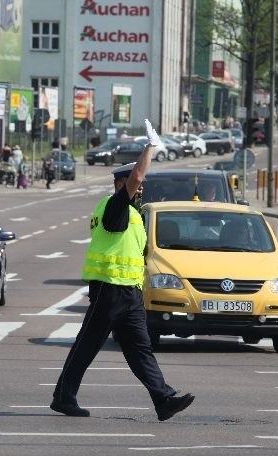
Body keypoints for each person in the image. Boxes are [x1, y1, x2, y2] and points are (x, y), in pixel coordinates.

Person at [51, 119, 195, 421]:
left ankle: (163, 400)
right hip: (108, 289)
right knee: (87, 346)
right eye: (135, 184)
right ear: (122, 184)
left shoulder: (133, 215)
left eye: (140, 186)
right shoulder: (114, 207)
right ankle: (63, 397)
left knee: (140, 350)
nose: (140, 187)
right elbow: (138, 174)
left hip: (129, 294)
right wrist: (151, 147)